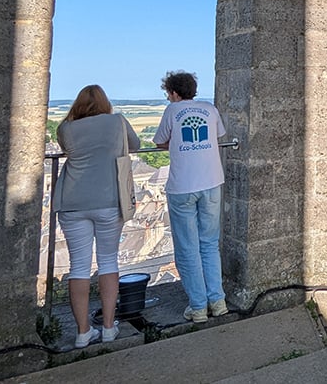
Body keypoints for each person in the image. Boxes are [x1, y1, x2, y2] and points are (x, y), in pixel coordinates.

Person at [54, 84, 138, 348]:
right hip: (108, 200)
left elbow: (67, 151)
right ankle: (110, 327)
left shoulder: (65, 128)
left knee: (78, 267)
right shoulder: (117, 122)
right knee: (108, 262)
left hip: (72, 202)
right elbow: (133, 146)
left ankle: (82, 332)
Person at [152, 70, 229, 323]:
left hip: (183, 186)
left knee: (188, 248)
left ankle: (198, 307)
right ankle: (217, 301)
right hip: (212, 182)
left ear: (173, 92)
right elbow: (219, 136)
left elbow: (160, 142)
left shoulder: (172, 111)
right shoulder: (209, 109)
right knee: (209, 243)